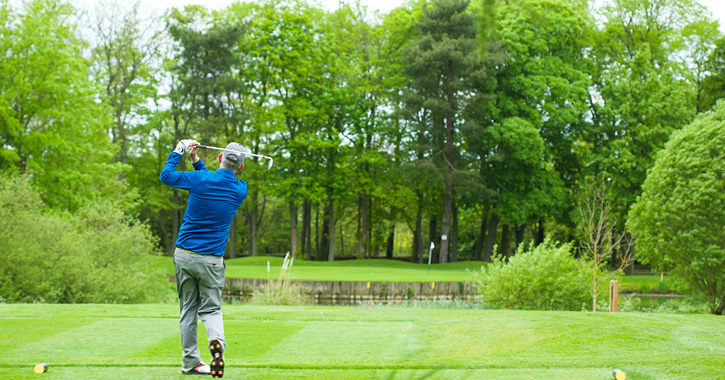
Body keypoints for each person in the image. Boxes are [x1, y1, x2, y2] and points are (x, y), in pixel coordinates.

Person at [160, 139, 249, 378]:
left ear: (220, 158)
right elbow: (215, 181)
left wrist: (179, 151)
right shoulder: (241, 189)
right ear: (240, 167)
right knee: (211, 310)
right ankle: (217, 341)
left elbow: (166, 176)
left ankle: (190, 360)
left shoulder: (200, 180)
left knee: (188, 310)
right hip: (211, 261)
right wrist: (195, 160)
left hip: (185, 256)